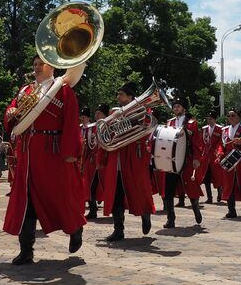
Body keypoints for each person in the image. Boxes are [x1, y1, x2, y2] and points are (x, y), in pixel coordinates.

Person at [3, 54, 85, 265]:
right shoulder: (25, 91)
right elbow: (11, 116)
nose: (38, 68)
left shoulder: (63, 91)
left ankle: (75, 227)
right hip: (27, 153)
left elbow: (70, 123)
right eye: (35, 64)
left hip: (53, 153)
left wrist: (70, 152)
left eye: (42, 64)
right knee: (25, 201)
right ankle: (26, 251)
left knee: (60, 197)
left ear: (53, 67)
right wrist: (10, 113)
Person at [100, 82, 155, 242]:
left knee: (138, 189)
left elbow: (147, 129)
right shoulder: (114, 113)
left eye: (121, 94)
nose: (118, 97)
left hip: (133, 157)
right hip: (116, 157)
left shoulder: (142, 111)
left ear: (130, 97)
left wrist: (129, 125)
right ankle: (119, 230)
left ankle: (145, 214)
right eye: (118, 94)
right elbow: (106, 133)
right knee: (116, 195)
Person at [162, 101, 205, 227]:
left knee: (191, 187)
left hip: (187, 158)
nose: (175, 108)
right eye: (174, 106)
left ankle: (196, 209)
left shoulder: (192, 123)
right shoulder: (169, 122)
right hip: (172, 160)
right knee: (168, 189)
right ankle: (171, 219)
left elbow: (197, 142)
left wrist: (197, 158)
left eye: (178, 106)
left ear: (184, 109)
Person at [218, 108, 241, 219]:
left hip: (240, 161)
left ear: (238, 117)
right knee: (229, 186)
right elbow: (221, 145)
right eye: (229, 116)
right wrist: (220, 154)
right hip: (228, 161)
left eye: (233, 115)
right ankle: (231, 210)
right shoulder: (224, 130)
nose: (230, 118)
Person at [80, 106, 103, 220]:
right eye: (81, 117)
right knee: (84, 185)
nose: (82, 119)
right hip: (82, 160)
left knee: (90, 185)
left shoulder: (93, 128)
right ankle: (89, 208)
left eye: (84, 117)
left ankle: (93, 209)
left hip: (91, 159)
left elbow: (94, 143)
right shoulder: (80, 128)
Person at [201, 110, 224, 203]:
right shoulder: (204, 129)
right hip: (206, 156)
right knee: (206, 177)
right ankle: (209, 197)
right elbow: (202, 142)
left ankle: (219, 195)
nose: (209, 121)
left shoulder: (220, 129)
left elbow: (221, 142)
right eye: (208, 119)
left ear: (214, 119)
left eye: (210, 119)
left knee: (217, 176)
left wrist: (219, 153)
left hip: (215, 155)